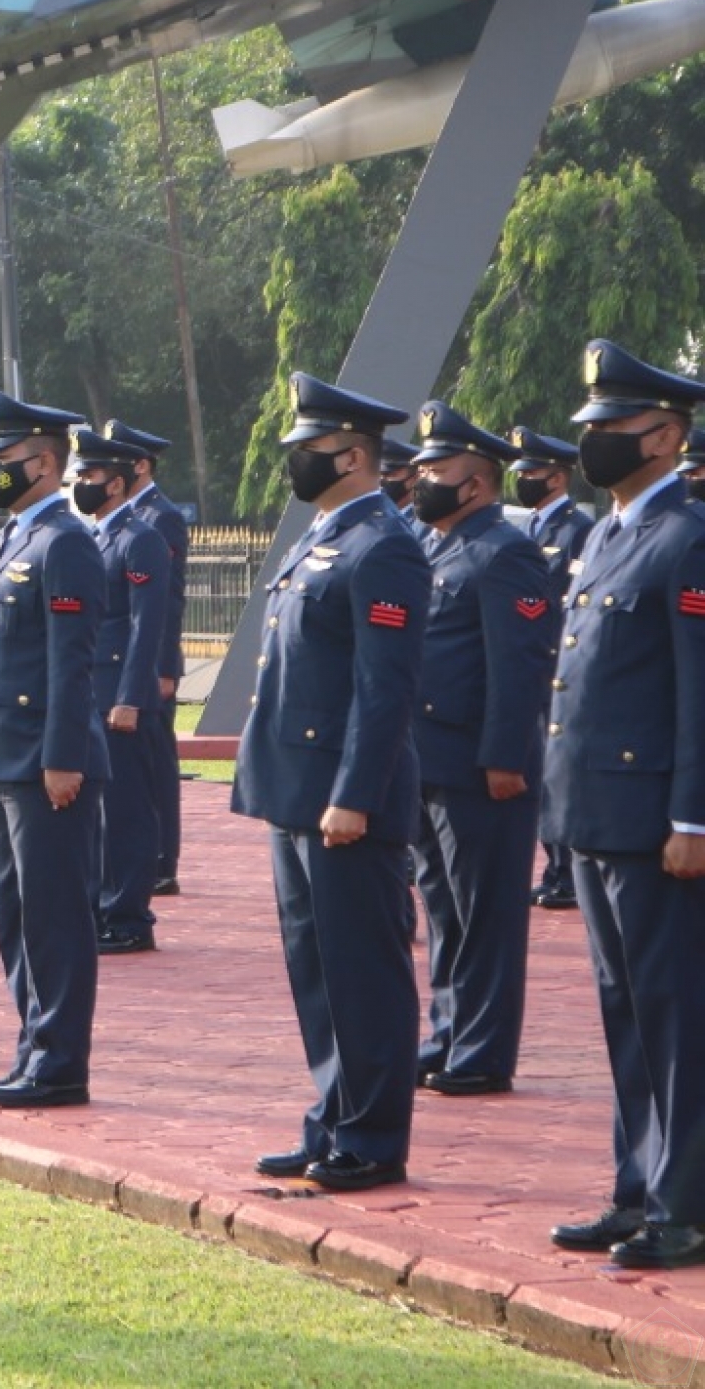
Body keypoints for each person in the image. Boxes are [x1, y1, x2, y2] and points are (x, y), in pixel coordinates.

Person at [236, 373, 430, 1192]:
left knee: (363, 972)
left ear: (353, 455)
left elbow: (383, 688)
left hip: (344, 803)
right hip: (298, 794)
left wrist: (352, 794)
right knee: (317, 970)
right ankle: (333, 1118)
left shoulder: (382, 543)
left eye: (307, 452)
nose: (295, 465)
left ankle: (374, 1137)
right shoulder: (324, 536)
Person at [542, 342, 705, 1270]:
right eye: (591, 427)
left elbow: (697, 690)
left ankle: (684, 1203)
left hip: (655, 823)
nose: (595, 440)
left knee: (675, 1015)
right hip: (598, 812)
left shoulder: (689, 539)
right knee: (624, 1010)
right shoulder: (608, 533)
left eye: (614, 428)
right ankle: (635, 1187)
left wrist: (694, 818)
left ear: (668, 435)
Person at [0, 391, 104, 1109]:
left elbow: (70, 661)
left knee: (53, 915)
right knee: (14, 913)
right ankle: (33, 1045)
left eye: (5, 460)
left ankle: (60, 1060)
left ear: (46, 463)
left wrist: (64, 756)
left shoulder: (66, 541)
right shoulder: (15, 535)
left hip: (41, 760)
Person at [404, 402, 550, 1099]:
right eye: (423, 466)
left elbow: (518, 667)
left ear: (478, 482)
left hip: (478, 766)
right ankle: (449, 1032)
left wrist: (505, 759)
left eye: (438, 468)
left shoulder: (504, 552)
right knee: (444, 907)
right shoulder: (432, 545)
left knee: (486, 909)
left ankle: (485, 1051)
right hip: (429, 761)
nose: (422, 476)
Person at [69, 428, 170, 955]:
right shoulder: (94, 535)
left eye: (90, 476)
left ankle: (129, 914)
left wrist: (131, 696)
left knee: (127, 811)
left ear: (117, 483)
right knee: (97, 811)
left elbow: (144, 624)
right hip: (92, 691)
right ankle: (101, 902)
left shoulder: (140, 537)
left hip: (121, 699)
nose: (81, 483)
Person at [507, 426, 594, 909]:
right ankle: (554, 866)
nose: (524, 481)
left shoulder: (576, 530)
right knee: (539, 773)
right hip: (533, 665)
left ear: (557, 479)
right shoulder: (532, 528)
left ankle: (568, 871)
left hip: (557, 666)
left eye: (533, 473)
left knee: (559, 772)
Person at [105, 421, 191, 896]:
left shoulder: (160, 517)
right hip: (121, 667)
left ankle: (162, 857)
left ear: (139, 466)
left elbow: (167, 603)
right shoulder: (119, 519)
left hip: (149, 665)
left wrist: (161, 668)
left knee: (156, 763)